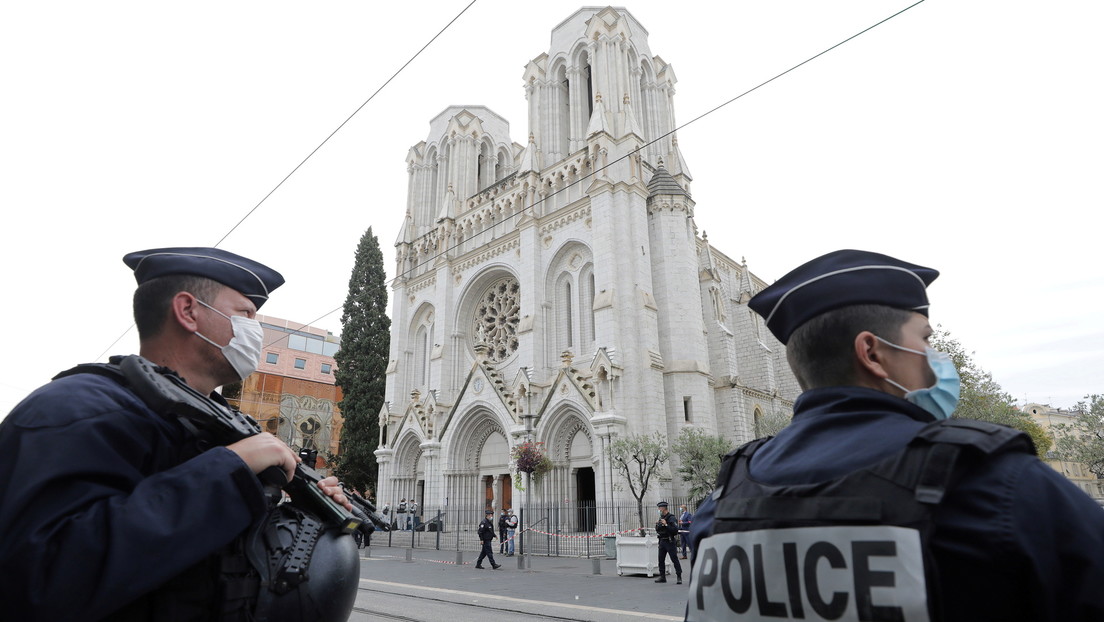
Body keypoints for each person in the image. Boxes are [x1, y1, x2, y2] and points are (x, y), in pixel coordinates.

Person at [686, 249, 1104, 622]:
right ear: (872, 353)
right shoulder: (1000, 485)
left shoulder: (721, 504)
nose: (937, 358)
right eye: (924, 339)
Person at [0, 247, 358, 621]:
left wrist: (303, 511)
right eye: (246, 315)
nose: (256, 331)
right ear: (188, 311)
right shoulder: (77, 409)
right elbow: (39, 581)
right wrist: (231, 471)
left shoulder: (222, 425)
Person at [654, 501, 682, 584]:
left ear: (663, 508)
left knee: (674, 559)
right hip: (662, 541)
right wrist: (658, 525)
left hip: (669, 541)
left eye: (659, 508)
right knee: (661, 559)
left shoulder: (671, 518)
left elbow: (675, 530)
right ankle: (662, 577)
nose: (659, 509)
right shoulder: (661, 517)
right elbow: (659, 530)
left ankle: (679, 576)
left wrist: (666, 524)